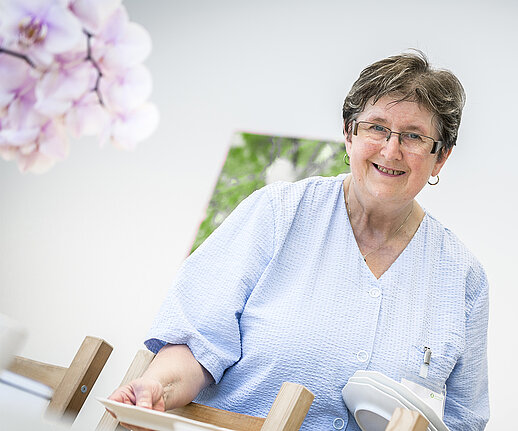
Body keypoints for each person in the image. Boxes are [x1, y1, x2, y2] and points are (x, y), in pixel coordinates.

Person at [108, 51, 490, 431]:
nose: (391, 150)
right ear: (349, 134)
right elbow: (197, 344)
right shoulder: (278, 213)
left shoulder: (462, 278)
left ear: (440, 157)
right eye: (376, 127)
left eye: (414, 136)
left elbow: (462, 421)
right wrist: (157, 388)